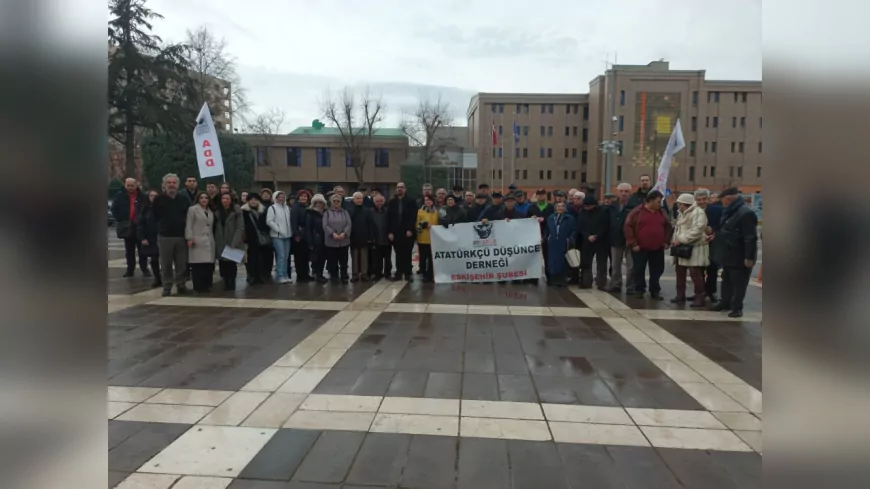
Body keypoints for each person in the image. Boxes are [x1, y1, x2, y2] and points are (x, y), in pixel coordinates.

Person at [710, 187, 758, 318]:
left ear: (729, 199)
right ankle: (725, 302)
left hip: (739, 253)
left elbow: (750, 237)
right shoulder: (730, 211)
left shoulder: (745, 213)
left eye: (723, 201)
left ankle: (737, 307)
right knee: (726, 279)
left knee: (739, 282)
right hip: (728, 252)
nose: (722, 204)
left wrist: (749, 257)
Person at [624, 190, 672, 300]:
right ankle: (639, 289)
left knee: (657, 269)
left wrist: (666, 241)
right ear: (650, 201)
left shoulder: (662, 212)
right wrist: (633, 243)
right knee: (639, 269)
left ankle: (655, 290)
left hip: (657, 247)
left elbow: (668, 227)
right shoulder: (637, 212)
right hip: (640, 247)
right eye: (658, 202)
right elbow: (628, 227)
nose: (660, 204)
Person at [152, 174, 191, 296]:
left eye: (174, 183)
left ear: (177, 185)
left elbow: (188, 217)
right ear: (164, 185)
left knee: (181, 263)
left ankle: (181, 284)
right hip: (165, 237)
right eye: (169, 183)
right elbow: (154, 216)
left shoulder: (184, 199)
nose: (171, 185)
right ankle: (167, 286)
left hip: (181, 236)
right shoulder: (158, 200)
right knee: (166, 263)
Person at [670, 193, 710, 307]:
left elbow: (697, 230)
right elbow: (678, 229)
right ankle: (680, 294)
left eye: (680, 203)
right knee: (680, 272)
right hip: (682, 248)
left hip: (695, 247)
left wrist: (681, 239)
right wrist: (675, 240)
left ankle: (700, 297)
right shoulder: (681, 213)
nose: (678, 205)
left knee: (695, 273)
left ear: (685, 203)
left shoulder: (698, 213)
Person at [111, 177, 148, 277]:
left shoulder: (143, 196)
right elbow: (114, 208)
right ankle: (130, 269)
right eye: (128, 185)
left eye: (132, 185)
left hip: (140, 226)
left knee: (142, 250)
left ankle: (144, 268)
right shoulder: (120, 196)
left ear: (136, 185)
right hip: (127, 226)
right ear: (125, 185)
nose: (130, 187)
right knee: (129, 250)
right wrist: (120, 219)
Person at [577, 195, 610, 290]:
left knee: (601, 263)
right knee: (586, 262)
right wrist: (587, 235)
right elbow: (580, 225)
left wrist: (597, 235)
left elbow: (605, 225)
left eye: (588, 206)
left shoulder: (603, 211)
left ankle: (601, 283)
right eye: (585, 206)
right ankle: (586, 282)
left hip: (601, 241)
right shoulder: (582, 212)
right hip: (587, 240)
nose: (586, 208)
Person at [185, 192, 216, 293]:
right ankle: (198, 286)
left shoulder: (211, 211)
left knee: (207, 265)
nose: (204, 200)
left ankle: (207, 285)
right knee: (197, 265)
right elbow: (189, 224)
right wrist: (189, 238)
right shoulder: (193, 209)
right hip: (197, 239)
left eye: (206, 198)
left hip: (209, 240)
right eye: (201, 198)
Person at [608, 183, 636, 292]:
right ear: (617, 192)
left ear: (630, 193)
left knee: (631, 266)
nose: (623, 194)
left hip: (630, 240)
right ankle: (616, 284)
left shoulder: (634, 206)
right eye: (621, 191)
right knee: (615, 265)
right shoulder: (612, 206)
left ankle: (630, 286)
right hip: (615, 239)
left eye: (626, 191)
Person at [387, 182, 418, 281]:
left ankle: (408, 273)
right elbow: (389, 218)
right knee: (398, 253)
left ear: (405, 189)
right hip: (396, 232)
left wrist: (410, 229)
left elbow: (413, 216)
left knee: (407, 253)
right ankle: (398, 273)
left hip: (407, 232)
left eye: (402, 187)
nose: (399, 189)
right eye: (398, 187)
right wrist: (390, 232)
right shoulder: (392, 202)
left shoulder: (411, 201)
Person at [214, 193, 244, 290]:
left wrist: (235, 241)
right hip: (220, 240)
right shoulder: (217, 211)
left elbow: (240, 227)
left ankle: (232, 282)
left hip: (232, 239)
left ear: (231, 200)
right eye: (223, 198)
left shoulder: (236, 210)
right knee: (222, 262)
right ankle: (225, 281)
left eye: (227, 198)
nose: (225, 200)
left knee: (231, 263)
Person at [698, 188, 723, 302]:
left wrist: (713, 231)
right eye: (699, 199)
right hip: (697, 243)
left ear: (708, 199)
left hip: (713, 243)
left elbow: (722, 224)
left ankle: (711, 292)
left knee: (712, 269)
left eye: (704, 199)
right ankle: (700, 292)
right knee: (698, 270)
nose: (701, 201)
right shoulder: (693, 210)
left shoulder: (717, 210)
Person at [241, 193, 272, 285]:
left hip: (260, 238)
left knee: (261, 258)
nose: (253, 201)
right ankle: (251, 276)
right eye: (251, 199)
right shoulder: (244, 211)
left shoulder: (262, 211)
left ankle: (259, 276)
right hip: (249, 238)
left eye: (255, 199)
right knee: (251, 258)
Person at [545, 201, 576, 287]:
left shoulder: (569, 218)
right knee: (552, 261)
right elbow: (547, 230)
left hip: (564, 242)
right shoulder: (551, 217)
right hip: (553, 242)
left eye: (562, 206)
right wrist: (546, 238)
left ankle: (562, 280)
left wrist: (570, 239)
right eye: (558, 206)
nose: (560, 208)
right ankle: (553, 279)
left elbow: (574, 230)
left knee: (563, 261)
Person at [266, 190, 293, 284]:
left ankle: (285, 275)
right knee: (281, 256)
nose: (281, 198)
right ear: (275, 198)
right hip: (277, 236)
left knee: (286, 257)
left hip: (287, 236)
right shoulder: (272, 208)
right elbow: (269, 221)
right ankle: (280, 276)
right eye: (279, 196)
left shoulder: (287, 208)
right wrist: (278, 229)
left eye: (282, 196)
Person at [324, 194, 352, 283]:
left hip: (344, 240)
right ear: (331, 202)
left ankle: (344, 275)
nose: (336, 203)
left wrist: (344, 233)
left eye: (338, 201)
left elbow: (349, 224)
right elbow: (325, 225)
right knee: (333, 260)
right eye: (334, 201)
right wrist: (333, 234)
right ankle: (334, 276)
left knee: (343, 260)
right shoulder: (327, 213)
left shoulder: (345, 212)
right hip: (331, 241)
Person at [348, 192, 376, 282]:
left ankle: (364, 273)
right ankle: (355, 274)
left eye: (360, 198)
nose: (359, 200)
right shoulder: (350, 210)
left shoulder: (367, 210)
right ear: (353, 200)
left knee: (364, 256)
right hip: (353, 236)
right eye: (357, 198)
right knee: (355, 256)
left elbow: (371, 224)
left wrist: (371, 237)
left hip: (365, 236)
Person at [528, 188, 554, 282]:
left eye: (542, 194)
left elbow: (553, 218)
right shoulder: (531, 207)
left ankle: (549, 276)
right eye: (539, 194)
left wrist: (545, 219)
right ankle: (533, 277)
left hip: (547, 233)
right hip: (534, 234)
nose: (541, 196)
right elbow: (526, 220)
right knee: (534, 256)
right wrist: (532, 218)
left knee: (547, 256)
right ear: (536, 196)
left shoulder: (550, 207)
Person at [137, 189, 161, 288]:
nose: (153, 198)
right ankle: (157, 278)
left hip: (162, 236)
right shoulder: (145, 209)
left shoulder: (162, 208)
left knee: (164, 260)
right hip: (150, 238)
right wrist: (143, 237)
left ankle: (165, 277)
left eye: (155, 196)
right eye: (151, 196)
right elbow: (141, 225)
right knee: (154, 259)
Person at [305, 194, 329, 284]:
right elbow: (308, 228)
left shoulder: (326, 212)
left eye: (320, 202)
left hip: (324, 239)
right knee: (316, 258)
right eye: (316, 202)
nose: (319, 204)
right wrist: (310, 242)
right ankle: (317, 275)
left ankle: (320, 274)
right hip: (315, 239)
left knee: (323, 258)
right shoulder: (310, 213)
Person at [416, 195, 439, 283]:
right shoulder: (420, 211)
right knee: (423, 258)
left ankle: (430, 275)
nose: (427, 202)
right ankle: (423, 273)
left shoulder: (436, 212)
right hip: (422, 238)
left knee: (431, 258)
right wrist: (424, 224)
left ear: (433, 201)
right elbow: (417, 223)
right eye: (426, 200)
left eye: (429, 200)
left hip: (433, 239)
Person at [292, 190, 313, 282]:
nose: (303, 198)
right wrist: (296, 234)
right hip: (299, 234)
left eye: (305, 196)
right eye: (302, 196)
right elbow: (293, 222)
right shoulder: (296, 207)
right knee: (299, 257)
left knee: (306, 256)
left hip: (307, 234)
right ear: (298, 197)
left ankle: (306, 274)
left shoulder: (308, 207)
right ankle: (300, 276)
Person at [370, 193, 392, 281]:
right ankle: (377, 274)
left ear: (383, 201)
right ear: (374, 202)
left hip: (387, 238)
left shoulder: (387, 211)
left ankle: (388, 273)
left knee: (387, 258)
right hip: (376, 238)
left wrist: (391, 233)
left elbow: (391, 223)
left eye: (380, 201)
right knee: (377, 259)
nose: (379, 203)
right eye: (377, 201)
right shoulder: (371, 212)